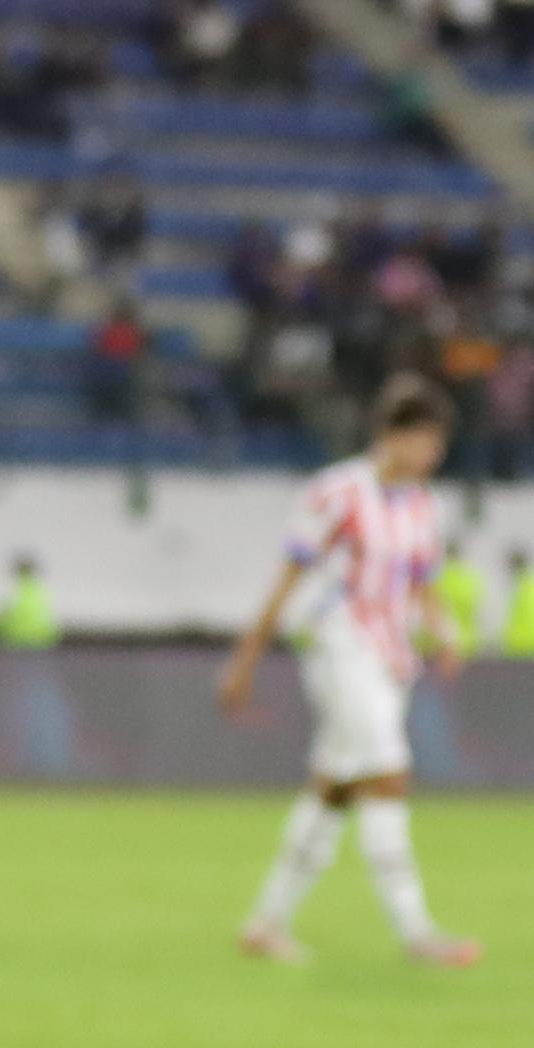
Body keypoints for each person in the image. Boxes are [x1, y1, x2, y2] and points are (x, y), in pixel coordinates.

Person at [219, 373, 480, 968]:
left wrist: (443, 631)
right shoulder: (337, 493)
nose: (435, 452)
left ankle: (265, 923)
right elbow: (289, 575)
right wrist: (245, 659)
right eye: (426, 438)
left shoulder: (423, 504)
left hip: (391, 655)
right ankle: (416, 932)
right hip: (340, 644)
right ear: (393, 435)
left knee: (335, 789)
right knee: (387, 774)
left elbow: (423, 581)